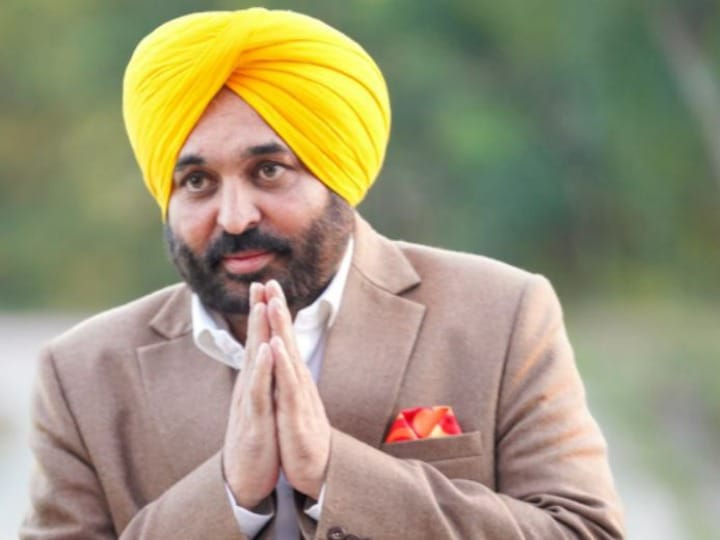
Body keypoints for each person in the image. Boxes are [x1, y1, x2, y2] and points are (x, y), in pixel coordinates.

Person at [21, 7, 624, 540]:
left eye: (269, 171)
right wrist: (228, 494)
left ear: (338, 174)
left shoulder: (500, 315)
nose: (234, 217)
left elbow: (583, 532)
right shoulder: (81, 375)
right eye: (197, 181)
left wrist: (335, 472)